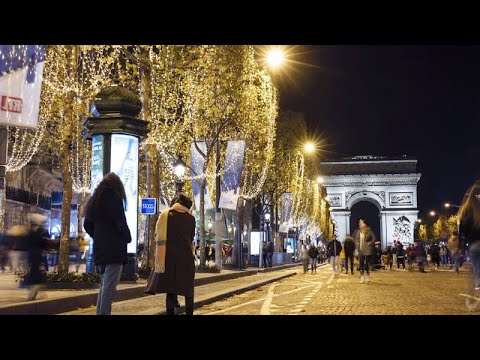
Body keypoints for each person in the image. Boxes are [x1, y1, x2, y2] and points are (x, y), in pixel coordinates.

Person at [84, 172, 132, 315]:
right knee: (109, 288)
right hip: (114, 249)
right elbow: (120, 222)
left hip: (100, 249)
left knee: (104, 286)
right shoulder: (114, 197)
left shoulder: (94, 199)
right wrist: (127, 237)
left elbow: (87, 224)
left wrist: (98, 236)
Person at [145, 193, 196, 315]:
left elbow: (157, 235)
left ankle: (170, 312)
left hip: (169, 258)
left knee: (171, 289)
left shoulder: (166, 215)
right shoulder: (191, 218)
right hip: (186, 259)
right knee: (188, 291)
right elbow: (191, 237)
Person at [458, 180, 480, 290]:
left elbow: (462, 228)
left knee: (476, 265)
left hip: (474, 243)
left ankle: (479, 281)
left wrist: (461, 242)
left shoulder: (467, 208)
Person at [24, 213, 49, 301]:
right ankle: (36, 291)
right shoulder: (41, 231)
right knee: (37, 273)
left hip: (35, 255)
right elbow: (45, 243)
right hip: (36, 255)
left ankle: (34, 292)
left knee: (36, 272)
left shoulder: (33, 231)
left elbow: (27, 243)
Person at [353, 218, 376, 283]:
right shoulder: (358, 232)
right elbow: (356, 240)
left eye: (362, 223)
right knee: (361, 264)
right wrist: (357, 244)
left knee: (367, 264)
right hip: (360, 250)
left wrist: (370, 243)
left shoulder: (369, 231)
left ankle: (368, 277)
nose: (360, 224)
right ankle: (362, 277)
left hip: (367, 250)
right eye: (360, 223)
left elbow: (374, 238)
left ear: (365, 224)